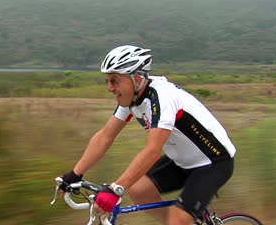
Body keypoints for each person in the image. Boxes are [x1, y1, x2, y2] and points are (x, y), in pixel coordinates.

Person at [58, 45, 236, 225]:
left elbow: (152, 151)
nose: (110, 88)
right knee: (138, 189)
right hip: (181, 161)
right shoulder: (131, 98)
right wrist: (75, 173)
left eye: (115, 81)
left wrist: (115, 189)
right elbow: (105, 136)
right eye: (108, 81)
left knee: (177, 220)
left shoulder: (163, 97)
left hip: (213, 163)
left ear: (136, 79)